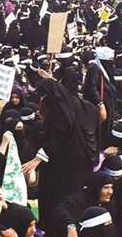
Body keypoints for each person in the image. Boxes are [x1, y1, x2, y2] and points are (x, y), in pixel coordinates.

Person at [22, 79, 100, 233]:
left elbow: (57, 137)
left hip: (60, 169)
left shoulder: (59, 109)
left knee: (57, 203)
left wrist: (38, 159)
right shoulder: (88, 107)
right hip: (83, 165)